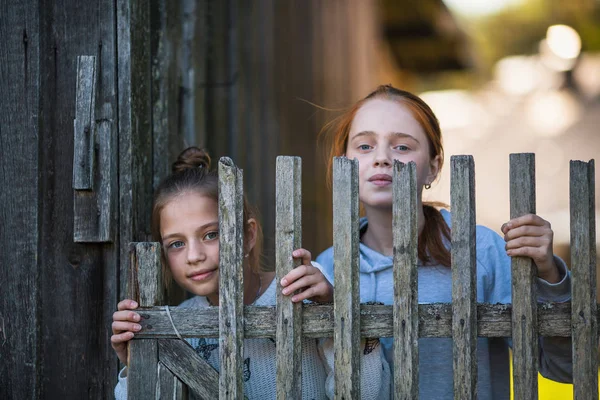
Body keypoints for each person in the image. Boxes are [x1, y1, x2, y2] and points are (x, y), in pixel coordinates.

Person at [315, 85, 573, 399]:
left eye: (402, 147)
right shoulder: (327, 269)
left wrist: (549, 276)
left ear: (433, 168)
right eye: (365, 146)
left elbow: (566, 368)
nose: (382, 158)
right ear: (345, 162)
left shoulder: (482, 251)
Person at [111, 147, 390, 399]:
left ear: (248, 235)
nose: (194, 256)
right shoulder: (177, 326)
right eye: (177, 243)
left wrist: (336, 312)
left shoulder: (300, 290)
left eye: (210, 234)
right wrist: (139, 364)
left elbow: (366, 393)